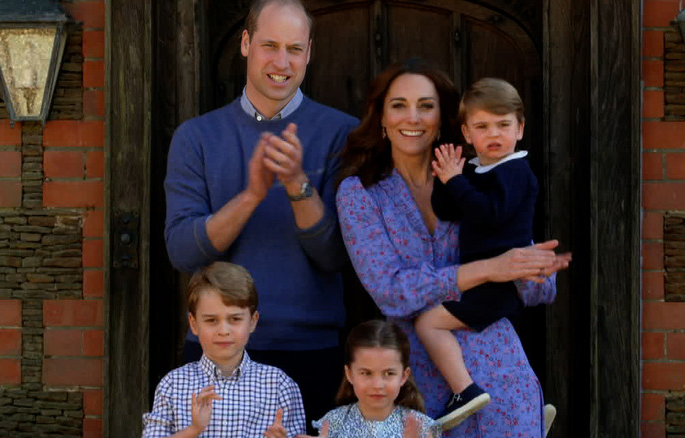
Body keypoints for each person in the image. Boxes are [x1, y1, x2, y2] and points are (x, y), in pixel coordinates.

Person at [335, 58, 570, 437]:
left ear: (442, 118)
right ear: (381, 117)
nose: (413, 117)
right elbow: (391, 291)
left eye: (426, 106)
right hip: (418, 382)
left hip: (501, 373)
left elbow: (537, 287)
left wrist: (534, 269)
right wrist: (489, 269)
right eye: (399, 105)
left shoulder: (477, 177)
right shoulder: (360, 194)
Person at [163, 0, 359, 430]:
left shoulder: (343, 134)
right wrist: (252, 194)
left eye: (294, 48)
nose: (282, 62)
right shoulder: (196, 137)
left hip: (311, 352)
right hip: (214, 353)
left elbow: (336, 257)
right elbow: (182, 252)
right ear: (246, 44)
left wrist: (297, 187)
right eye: (270, 45)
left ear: (309, 53)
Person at [414, 78, 539, 429]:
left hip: (498, 285)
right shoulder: (477, 169)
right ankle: (523, 410)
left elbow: (488, 213)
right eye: (482, 127)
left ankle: (465, 391)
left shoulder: (516, 172)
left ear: (520, 128)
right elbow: (448, 209)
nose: (494, 134)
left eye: (503, 125)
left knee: (428, 323)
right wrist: (446, 177)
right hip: (481, 279)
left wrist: (457, 181)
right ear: (467, 134)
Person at [141, 262, 305, 438]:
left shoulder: (279, 385)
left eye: (235, 319)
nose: (223, 330)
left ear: (253, 321)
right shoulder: (173, 385)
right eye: (211, 320)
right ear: (194, 324)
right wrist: (194, 429)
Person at [301, 320, 439, 438]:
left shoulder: (421, 427)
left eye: (389, 373)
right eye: (366, 373)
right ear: (349, 374)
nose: (377, 385)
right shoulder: (332, 423)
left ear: (403, 376)